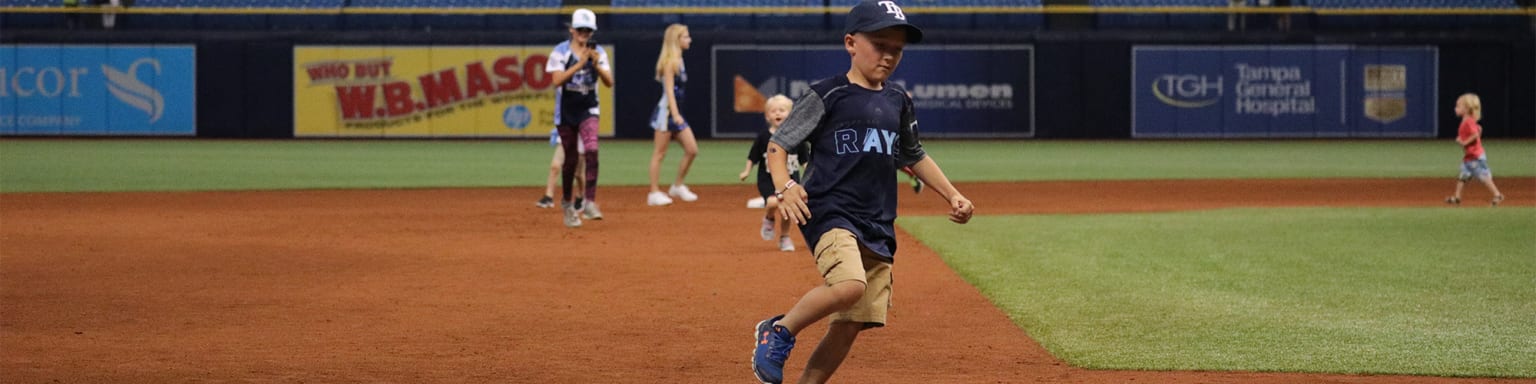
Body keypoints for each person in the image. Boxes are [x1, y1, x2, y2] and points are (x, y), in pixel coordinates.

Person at [750, 2, 974, 383]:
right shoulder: (827, 94)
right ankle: (778, 330)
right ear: (851, 43)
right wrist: (784, 185)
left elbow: (913, 154)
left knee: (852, 322)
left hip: (878, 219)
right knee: (849, 285)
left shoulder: (898, 101)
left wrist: (952, 194)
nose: (888, 55)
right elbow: (779, 144)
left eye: (897, 49)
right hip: (830, 209)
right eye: (879, 44)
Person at [546, 8, 614, 227]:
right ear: (572, 30)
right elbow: (556, 80)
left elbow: (609, 82)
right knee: (570, 162)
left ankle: (590, 201)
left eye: (588, 30)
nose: (584, 34)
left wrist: (594, 63)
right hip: (566, 111)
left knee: (592, 149)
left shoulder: (599, 52)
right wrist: (579, 64)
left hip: (588, 108)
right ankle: (567, 204)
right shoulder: (560, 51)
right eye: (581, 30)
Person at [740, 95, 808, 252]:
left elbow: (805, 159)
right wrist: (746, 171)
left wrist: (812, 173)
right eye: (773, 111)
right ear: (767, 116)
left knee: (786, 210)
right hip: (768, 179)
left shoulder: (797, 137)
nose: (777, 113)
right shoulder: (764, 137)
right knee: (772, 203)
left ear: (791, 115)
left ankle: (784, 237)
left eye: (782, 110)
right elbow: (753, 156)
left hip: (790, 179)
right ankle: (769, 218)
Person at [646, 24, 701, 206]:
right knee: (659, 153)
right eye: (685, 37)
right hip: (666, 112)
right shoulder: (670, 62)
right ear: (676, 40)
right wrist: (676, 115)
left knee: (692, 150)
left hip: (676, 112)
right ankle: (653, 192)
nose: (689, 40)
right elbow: (669, 91)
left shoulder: (680, 60)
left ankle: (677, 186)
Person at [1444, 93, 1505, 207]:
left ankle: (1497, 194)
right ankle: (1457, 197)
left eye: (1458, 106)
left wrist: (1463, 142)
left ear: (1467, 109)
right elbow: (1479, 129)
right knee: (1463, 176)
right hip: (1469, 156)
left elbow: (1475, 134)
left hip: (1475, 156)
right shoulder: (1468, 120)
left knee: (1483, 176)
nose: (1455, 108)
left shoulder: (1467, 121)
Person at [536, 130, 584, 209]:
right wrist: (558, 127)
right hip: (567, 131)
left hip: (583, 135)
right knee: (555, 167)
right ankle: (548, 197)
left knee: (578, 174)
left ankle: (580, 197)